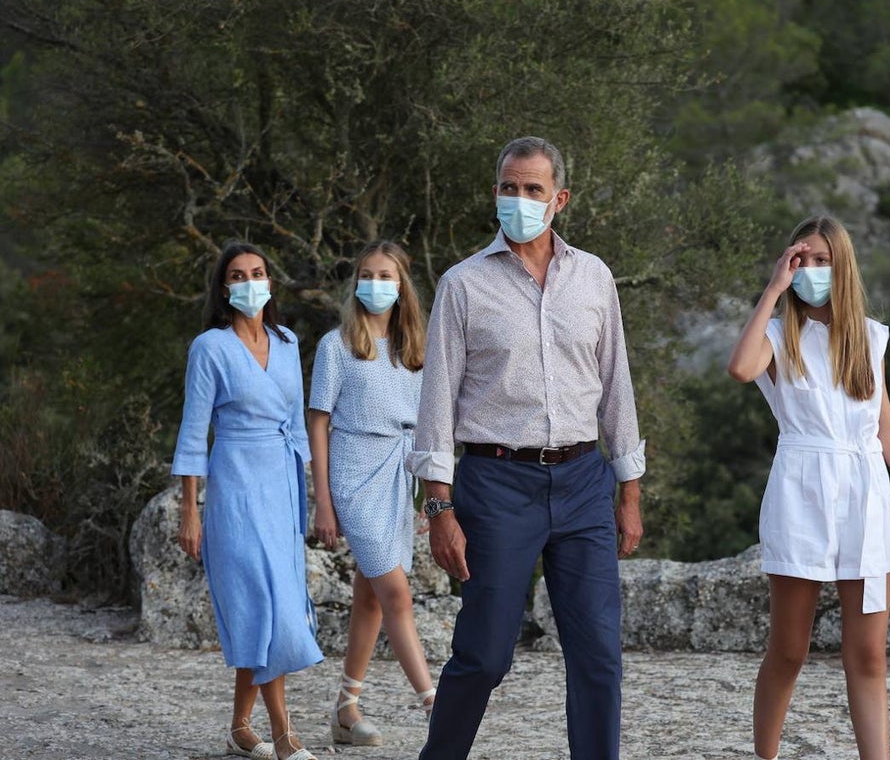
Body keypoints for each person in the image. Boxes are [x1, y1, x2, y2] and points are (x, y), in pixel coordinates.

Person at [405, 135, 645, 760]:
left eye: (532, 190)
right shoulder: (462, 286)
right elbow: (435, 402)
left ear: (558, 199)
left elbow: (616, 384)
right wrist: (439, 509)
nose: (519, 200)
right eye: (508, 188)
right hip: (496, 484)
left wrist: (630, 490)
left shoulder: (594, 278)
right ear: (496, 193)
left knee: (598, 654)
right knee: (483, 655)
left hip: (584, 481)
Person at [726, 215, 890, 760]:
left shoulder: (870, 338)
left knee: (870, 655)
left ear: (843, 266)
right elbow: (738, 368)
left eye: (825, 261)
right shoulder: (780, 337)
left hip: (866, 500)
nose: (814, 271)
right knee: (788, 650)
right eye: (804, 260)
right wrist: (774, 289)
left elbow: (887, 431)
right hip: (800, 497)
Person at [173, 239, 322, 760]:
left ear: (270, 282)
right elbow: (194, 433)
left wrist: (309, 495)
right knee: (263, 605)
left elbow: (300, 424)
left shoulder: (286, 342)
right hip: (234, 486)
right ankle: (284, 733)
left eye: (257, 272)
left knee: (277, 605)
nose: (249, 282)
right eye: (237, 275)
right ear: (224, 288)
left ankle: (240, 726)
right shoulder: (209, 348)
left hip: (281, 485)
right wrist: (191, 510)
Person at [307, 240, 437, 746]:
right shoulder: (336, 346)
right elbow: (317, 424)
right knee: (396, 593)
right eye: (367, 274)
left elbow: (429, 428)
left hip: (398, 475)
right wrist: (323, 500)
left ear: (402, 285)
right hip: (353, 474)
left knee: (371, 599)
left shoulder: (418, 350)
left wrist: (431, 491)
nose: (375, 284)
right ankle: (435, 705)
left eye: (386, 275)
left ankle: (346, 709)